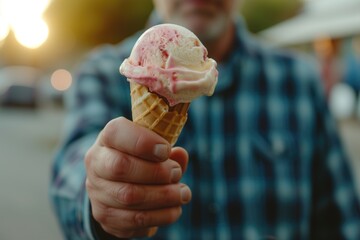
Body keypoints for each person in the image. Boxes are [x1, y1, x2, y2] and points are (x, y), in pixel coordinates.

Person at [50, 0, 360, 239]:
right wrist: (100, 196)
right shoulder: (102, 73)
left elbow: (342, 220)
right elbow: (73, 172)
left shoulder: (300, 81)